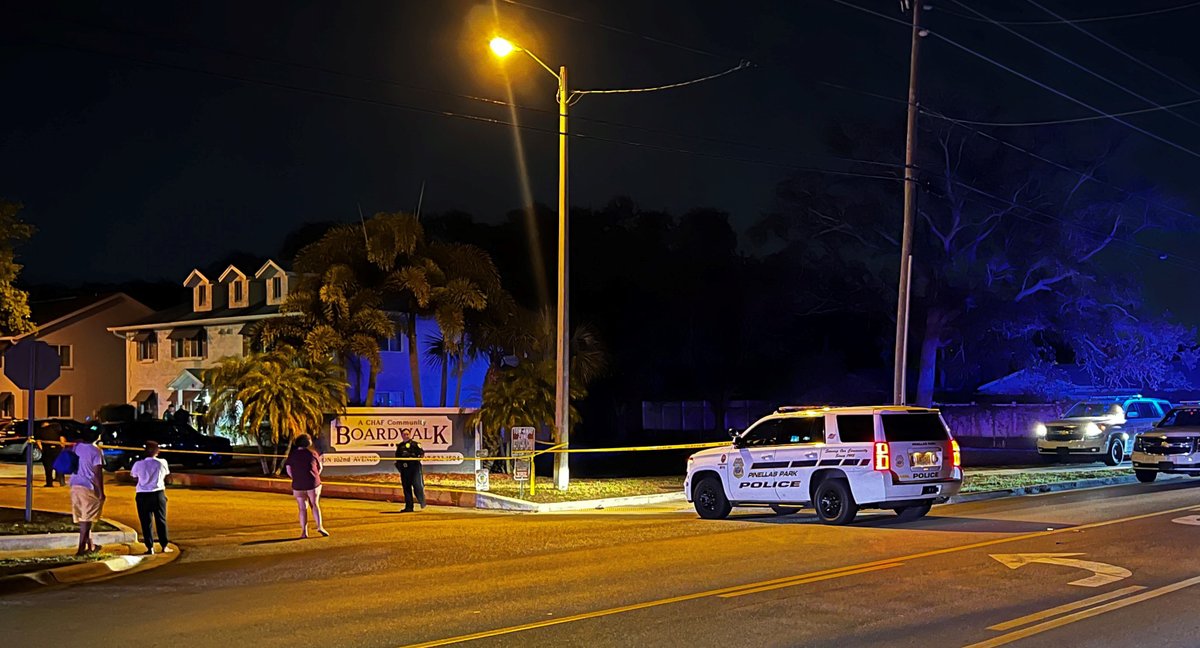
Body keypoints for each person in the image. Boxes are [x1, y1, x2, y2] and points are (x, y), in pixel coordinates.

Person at [130, 441, 171, 554]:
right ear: (156, 451)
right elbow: (166, 477)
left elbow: (134, 477)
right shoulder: (162, 463)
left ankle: (150, 547)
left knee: (145, 521)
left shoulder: (138, 464)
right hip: (158, 494)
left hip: (142, 494)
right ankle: (164, 545)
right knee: (161, 520)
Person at [69, 427, 105, 556]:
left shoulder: (77, 447)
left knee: (84, 518)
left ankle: (91, 546)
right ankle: (80, 549)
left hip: (74, 484)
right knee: (86, 520)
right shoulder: (96, 451)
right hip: (88, 487)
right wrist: (101, 492)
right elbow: (97, 474)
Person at [284, 434, 327, 538]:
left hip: (298, 484)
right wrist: (315, 476)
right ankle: (319, 526)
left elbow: (288, 469)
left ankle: (304, 531)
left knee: (302, 508)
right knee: (315, 504)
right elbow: (319, 467)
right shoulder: (312, 453)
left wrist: (296, 478)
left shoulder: (293, 455)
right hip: (313, 483)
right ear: (308, 443)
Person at [394, 430, 426, 511]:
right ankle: (409, 507)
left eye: (407, 434)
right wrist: (400, 467)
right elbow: (397, 458)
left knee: (417, 487)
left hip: (414, 469)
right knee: (406, 488)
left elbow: (421, 454)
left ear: (410, 435)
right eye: (404, 434)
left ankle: (422, 501)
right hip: (405, 470)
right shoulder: (400, 446)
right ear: (401, 435)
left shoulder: (415, 444)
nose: (406, 436)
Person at [34, 421, 67, 487]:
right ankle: (62, 482)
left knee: (48, 468)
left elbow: (38, 442)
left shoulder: (41, 431)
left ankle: (49, 483)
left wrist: (42, 449)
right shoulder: (56, 429)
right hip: (57, 450)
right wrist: (62, 447)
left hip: (47, 450)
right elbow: (62, 439)